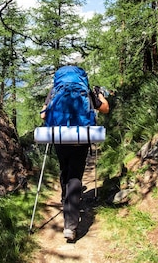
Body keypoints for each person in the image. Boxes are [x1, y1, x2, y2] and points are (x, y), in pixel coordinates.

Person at [40, 66, 110, 242]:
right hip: (81, 137)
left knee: (65, 169)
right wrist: (100, 95)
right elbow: (105, 109)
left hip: (60, 136)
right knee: (75, 175)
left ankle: (66, 200)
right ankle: (70, 225)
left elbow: (43, 115)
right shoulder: (86, 90)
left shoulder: (55, 91)